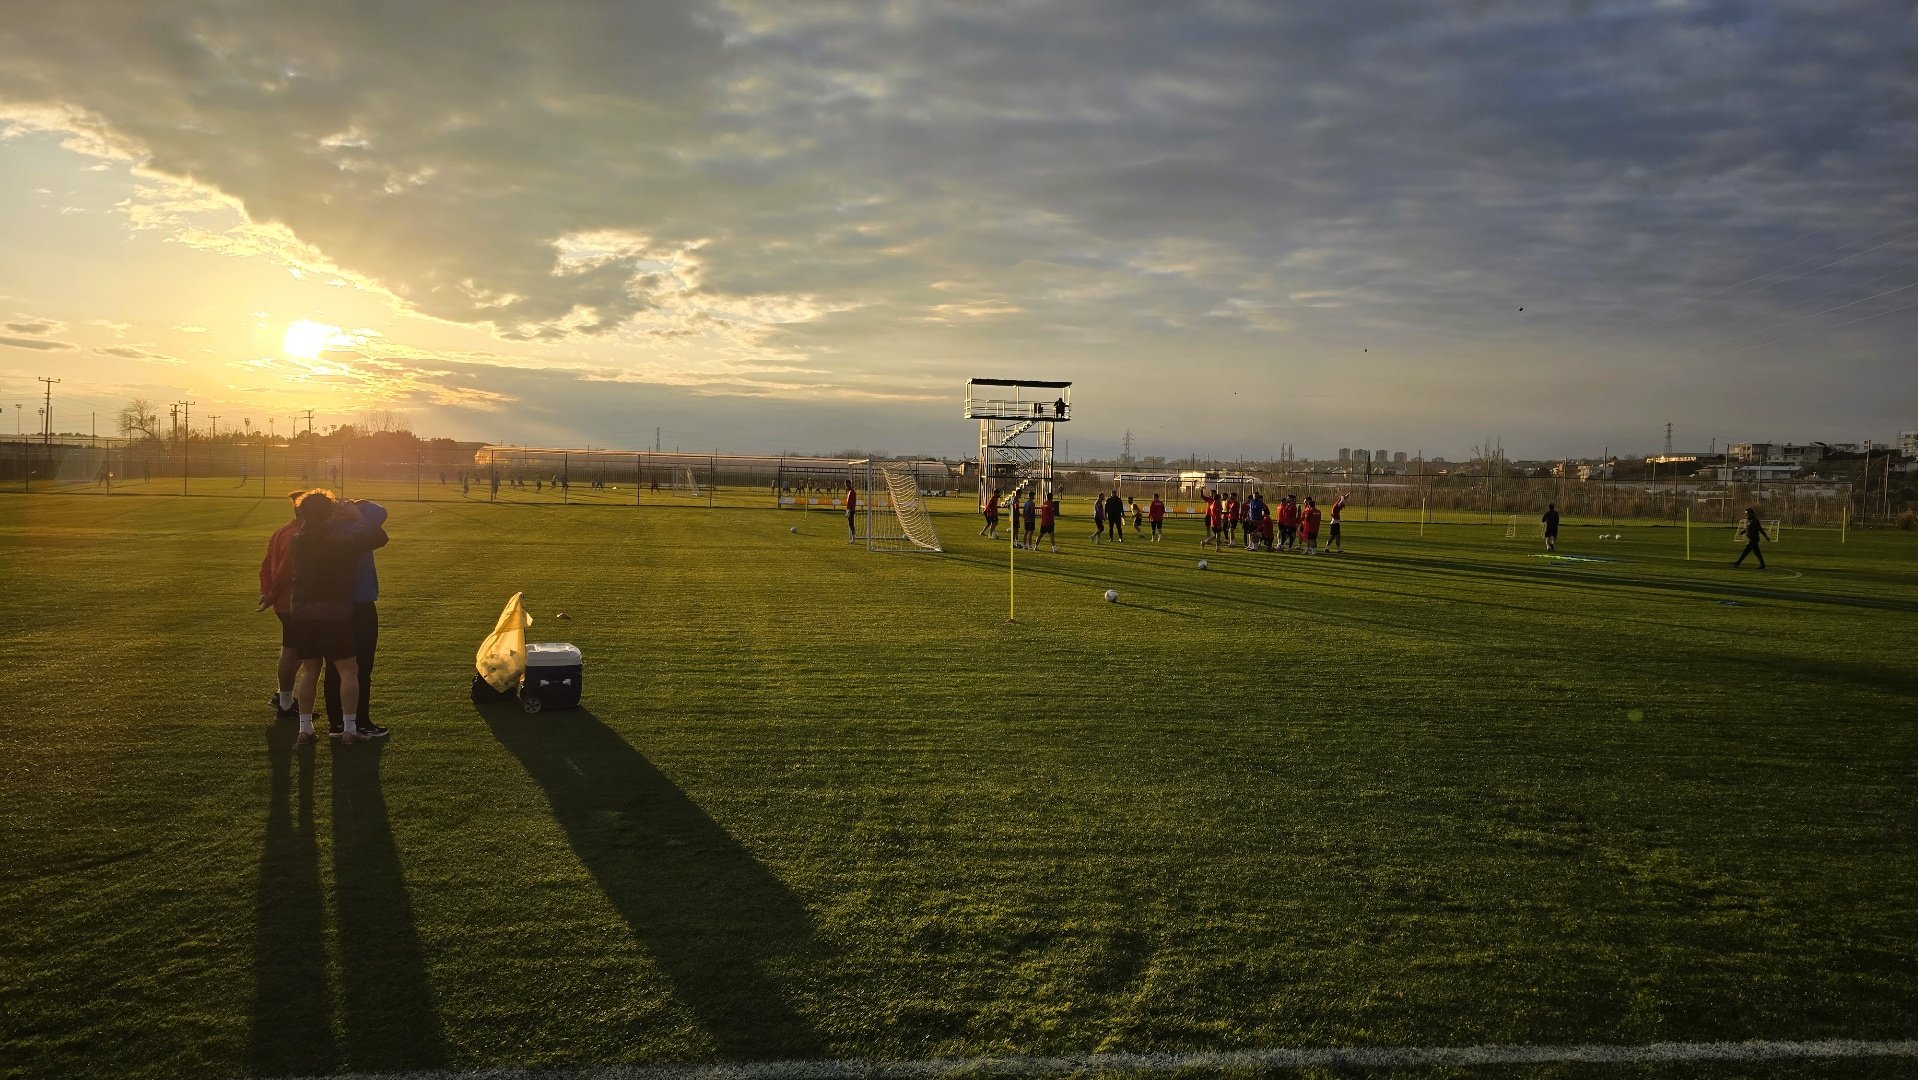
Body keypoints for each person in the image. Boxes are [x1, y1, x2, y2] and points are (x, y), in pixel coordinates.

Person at [288, 492, 387, 745]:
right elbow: (379, 536)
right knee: (350, 669)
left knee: (311, 671)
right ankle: (351, 727)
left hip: (302, 611)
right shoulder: (340, 540)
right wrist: (356, 515)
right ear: (329, 513)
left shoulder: (297, 539)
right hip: (335, 611)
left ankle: (306, 728)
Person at [320, 496, 391, 741]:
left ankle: (337, 723)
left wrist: (349, 513)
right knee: (361, 666)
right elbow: (379, 515)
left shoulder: (322, 533)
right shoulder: (353, 534)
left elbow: (379, 530)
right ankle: (359, 721)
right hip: (358, 606)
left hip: (330, 607)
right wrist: (356, 513)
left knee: (334, 667)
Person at [258, 490, 308, 722]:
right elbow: (284, 571)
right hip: (292, 602)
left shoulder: (282, 531)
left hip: (286, 602)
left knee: (296, 650)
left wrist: (266, 592)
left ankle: (284, 697)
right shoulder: (297, 535)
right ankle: (285, 703)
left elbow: (267, 565)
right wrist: (270, 595)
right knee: (292, 651)